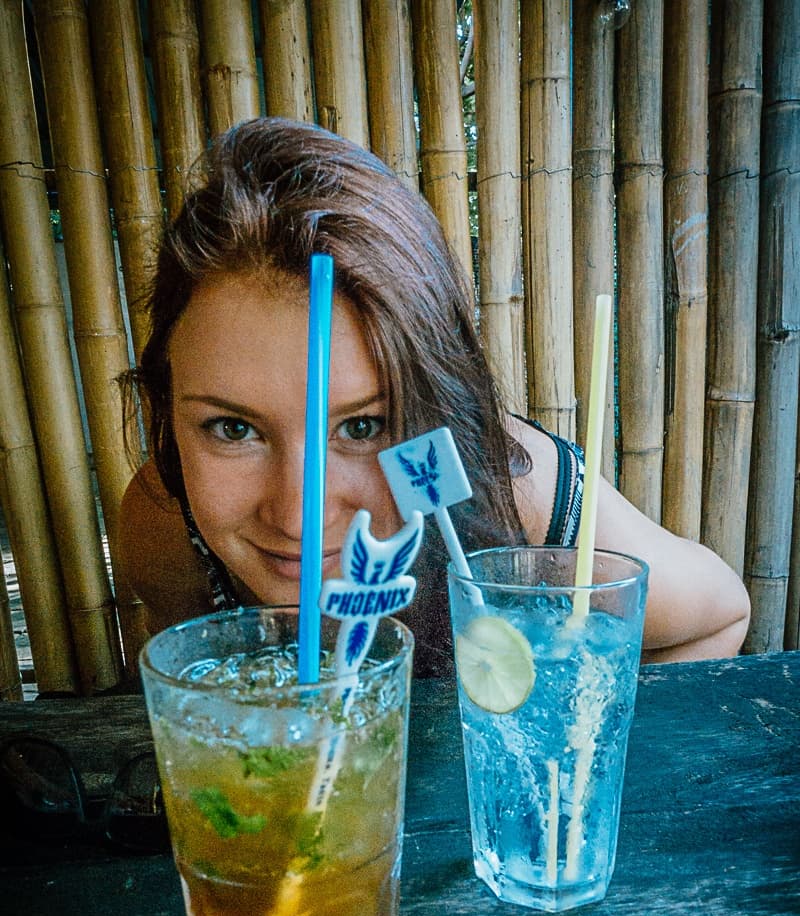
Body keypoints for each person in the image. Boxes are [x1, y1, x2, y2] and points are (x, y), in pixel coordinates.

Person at [120, 116, 750, 677]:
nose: (297, 518)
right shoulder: (164, 527)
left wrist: (570, 745)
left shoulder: (515, 499)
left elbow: (717, 619)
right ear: (166, 406)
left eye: (363, 426)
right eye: (232, 429)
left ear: (442, 408)